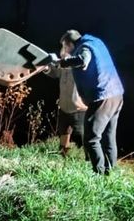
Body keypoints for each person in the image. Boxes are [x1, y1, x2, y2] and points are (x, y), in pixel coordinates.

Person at [57, 30, 124, 174]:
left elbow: (82, 60)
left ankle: (99, 174)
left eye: (65, 46)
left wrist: (63, 62)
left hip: (102, 97)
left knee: (91, 138)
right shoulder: (96, 42)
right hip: (116, 94)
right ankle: (110, 173)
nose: (65, 50)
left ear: (69, 44)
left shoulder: (84, 47)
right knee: (108, 137)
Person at [46, 48, 88, 157]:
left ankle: (89, 159)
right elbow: (55, 73)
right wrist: (46, 68)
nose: (62, 53)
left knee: (83, 135)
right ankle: (63, 154)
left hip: (78, 109)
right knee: (64, 132)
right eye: (62, 50)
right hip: (64, 106)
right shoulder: (63, 66)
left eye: (65, 51)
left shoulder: (79, 67)